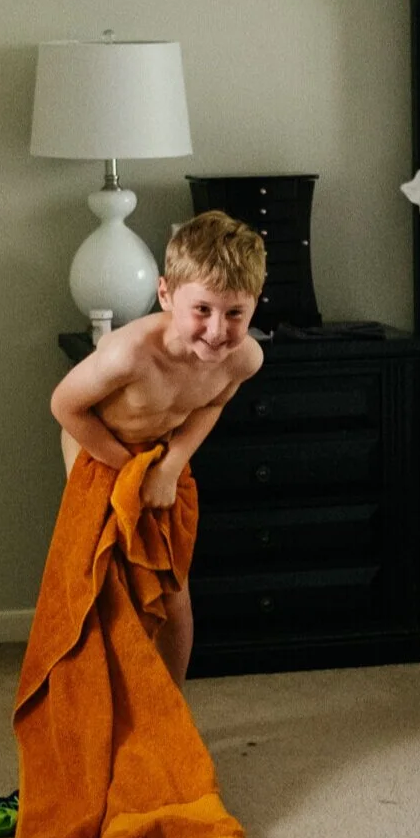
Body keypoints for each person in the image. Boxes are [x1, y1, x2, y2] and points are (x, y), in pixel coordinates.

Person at [49, 209, 266, 685]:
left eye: (235, 313)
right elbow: (65, 407)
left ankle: (167, 708)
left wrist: (169, 468)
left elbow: (212, 406)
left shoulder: (244, 359)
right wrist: (129, 471)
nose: (217, 330)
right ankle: (100, 708)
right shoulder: (130, 354)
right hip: (100, 449)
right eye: (202, 310)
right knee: (104, 587)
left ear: (255, 304)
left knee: (172, 591)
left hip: (163, 458)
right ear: (166, 294)